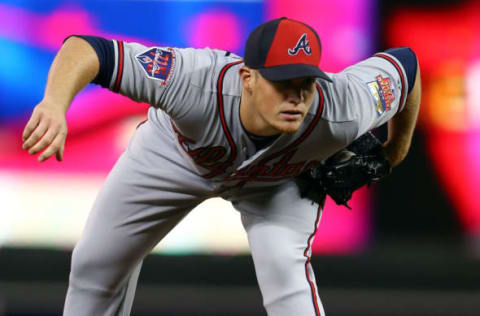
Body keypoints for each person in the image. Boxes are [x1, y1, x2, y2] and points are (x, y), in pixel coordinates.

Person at [21, 17, 421, 316]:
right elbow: (88, 49)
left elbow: (406, 66)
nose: (297, 96)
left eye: (305, 82)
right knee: (95, 263)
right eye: (283, 82)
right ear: (247, 78)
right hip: (174, 156)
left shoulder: (342, 107)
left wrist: (396, 149)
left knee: (288, 281)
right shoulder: (193, 81)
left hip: (275, 183)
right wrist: (55, 104)